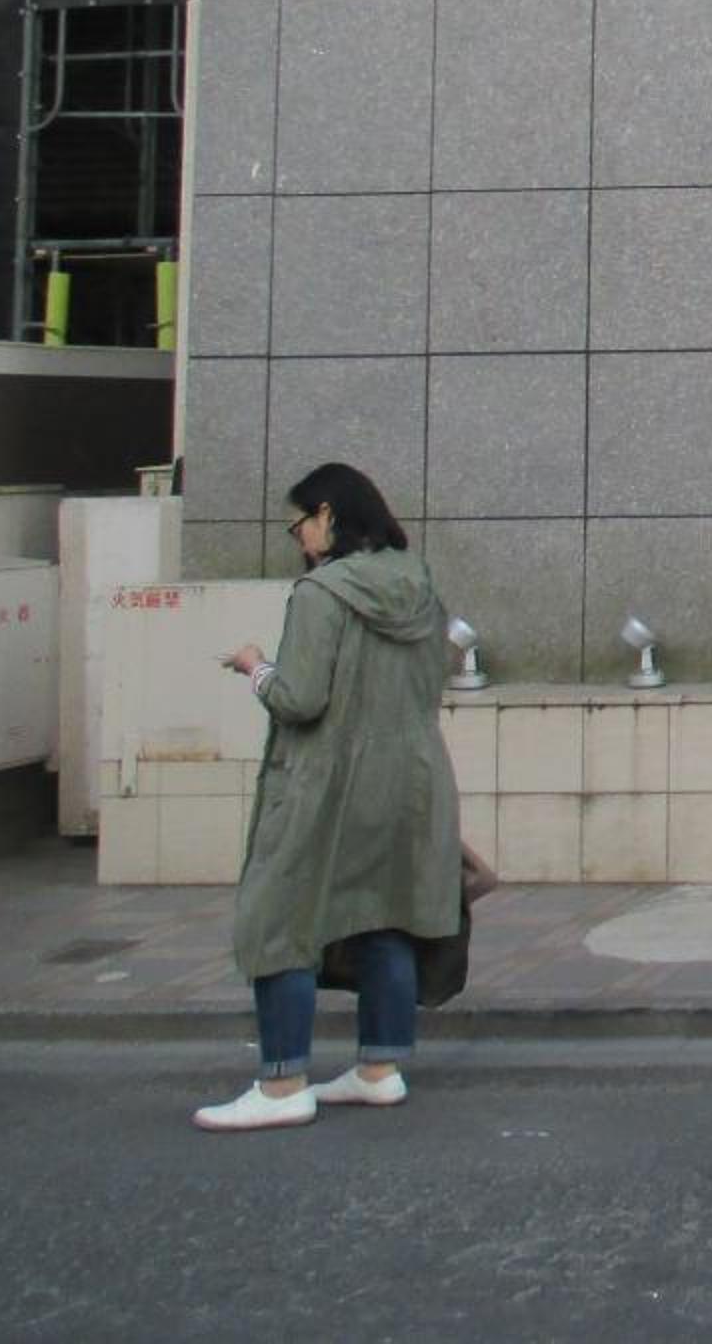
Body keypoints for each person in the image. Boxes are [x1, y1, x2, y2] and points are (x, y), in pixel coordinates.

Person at [197, 462, 465, 1132]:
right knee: (385, 915)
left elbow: (300, 699)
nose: (299, 541)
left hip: (328, 780)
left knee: (279, 919)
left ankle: (282, 1082)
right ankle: (379, 1070)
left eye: (298, 526)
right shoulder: (419, 585)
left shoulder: (322, 594)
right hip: (412, 781)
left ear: (327, 515)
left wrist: (256, 666)